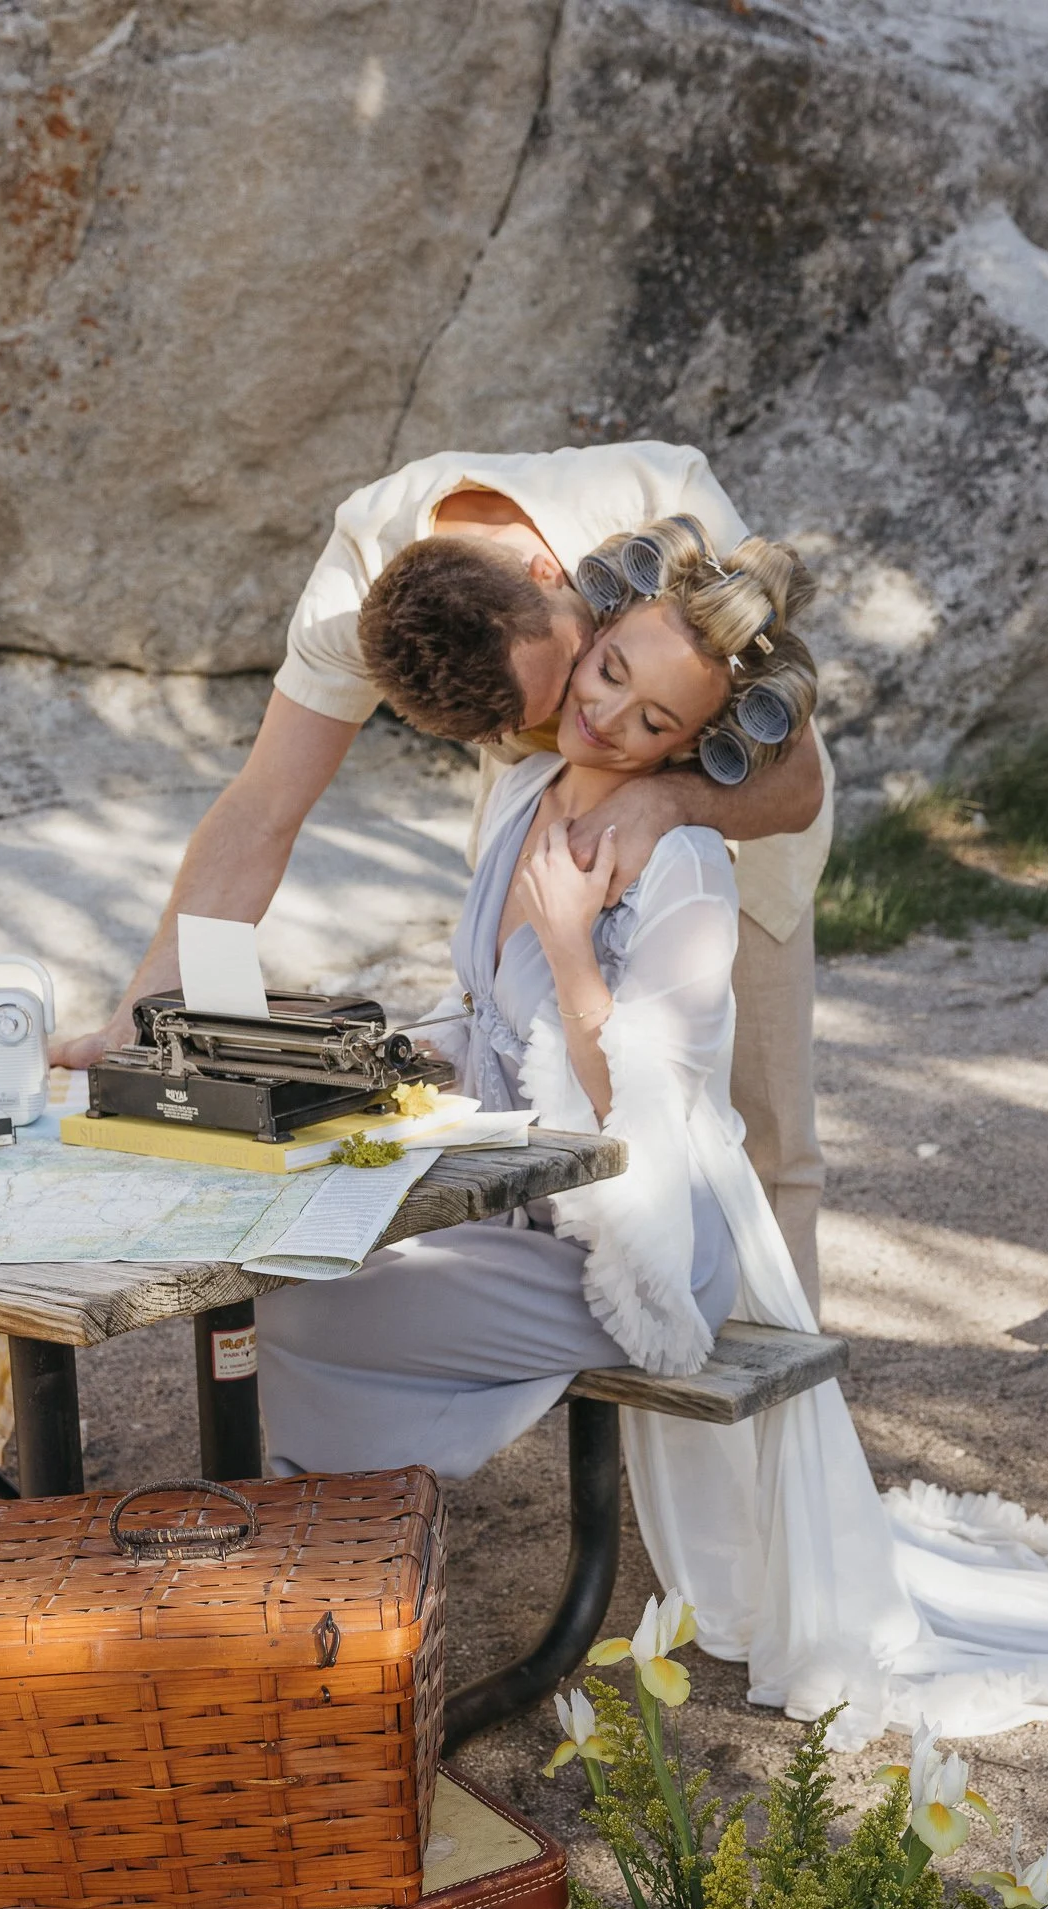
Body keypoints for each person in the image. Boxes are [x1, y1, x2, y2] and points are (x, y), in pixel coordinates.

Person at [255, 518, 1048, 1746]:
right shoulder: (527, 795)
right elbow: (486, 1023)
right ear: (581, 645)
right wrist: (360, 1059)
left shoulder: (681, 862)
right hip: (530, 1193)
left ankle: (303, 1588)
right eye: (608, 676)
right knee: (292, 1249)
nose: (609, 719)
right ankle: (308, 1569)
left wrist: (578, 948)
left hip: (635, 1241)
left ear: (692, 748)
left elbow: (656, 1103)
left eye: (652, 724)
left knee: (308, 1301)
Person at [50, 444, 831, 1302]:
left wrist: (663, 804)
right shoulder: (354, 586)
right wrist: (141, 1013)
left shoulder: (656, 493)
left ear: (551, 574)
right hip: (541, 835)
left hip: (727, 823)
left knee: (747, 1147)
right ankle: (529, 1345)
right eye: (532, 722)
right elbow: (261, 810)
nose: (586, 715)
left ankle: (755, 1392)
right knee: (510, 1096)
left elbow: (796, 783)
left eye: (577, 670)